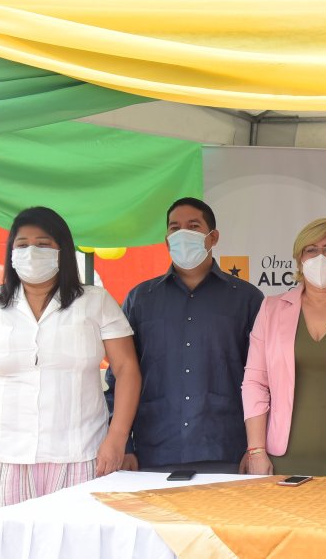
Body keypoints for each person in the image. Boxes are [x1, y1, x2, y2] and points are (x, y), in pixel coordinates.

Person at [0, 207, 140, 511]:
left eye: (43, 244)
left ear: (62, 251)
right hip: (0, 458)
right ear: (11, 252)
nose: (31, 252)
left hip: (81, 455)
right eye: (22, 244)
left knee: (75, 547)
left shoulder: (96, 302)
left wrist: (117, 438)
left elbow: (126, 368)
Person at [106, 197, 263, 473]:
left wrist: (255, 448)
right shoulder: (141, 299)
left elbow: (262, 380)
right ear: (167, 241)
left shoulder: (247, 299)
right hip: (153, 450)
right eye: (174, 228)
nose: (182, 234)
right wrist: (125, 446)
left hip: (226, 449)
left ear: (212, 237)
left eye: (193, 226)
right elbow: (119, 375)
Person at [241, 218, 326, 477]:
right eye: (311, 250)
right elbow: (254, 382)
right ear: (300, 260)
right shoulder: (271, 309)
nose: (320, 257)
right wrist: (257, 451)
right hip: (280, 458)